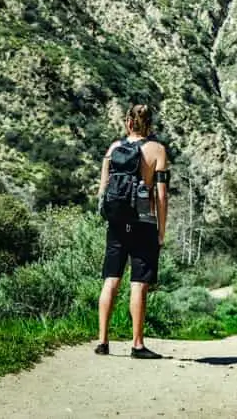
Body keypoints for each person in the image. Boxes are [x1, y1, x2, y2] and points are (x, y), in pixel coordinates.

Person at [94, 104, 170, 359]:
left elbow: (103, 189)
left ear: (128, 122)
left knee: (111, 280)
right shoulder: (157, 150)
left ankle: (103, 341)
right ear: (149, 123)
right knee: (139, 284)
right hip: (144, 223)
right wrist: (161, 230)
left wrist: (110, 216)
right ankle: (137, 344)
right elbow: (161, 196)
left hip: (116, 223)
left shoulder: (114, 149)